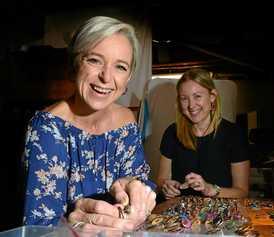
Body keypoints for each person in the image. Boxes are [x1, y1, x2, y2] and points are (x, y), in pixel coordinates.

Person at [22, 16, 156, 230]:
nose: (106, 77)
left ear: (129, 77)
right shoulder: (48, 128)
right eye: (94, 60)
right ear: (75, 64)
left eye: (120, 67)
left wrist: (135, 187)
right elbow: (39, 228)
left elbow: (142, 179)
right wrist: (72, 226)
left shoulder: (127, 122)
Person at [156, 68, 250, 200]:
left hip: (218, 215)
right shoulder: (172, 132)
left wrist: (210, 189)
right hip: (179, 214)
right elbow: (161, 180)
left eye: (197, 96)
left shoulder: (234, 134)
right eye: (184, 99)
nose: (191, 105)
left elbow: (242, 191)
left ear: (212, 97)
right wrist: (166, 186)